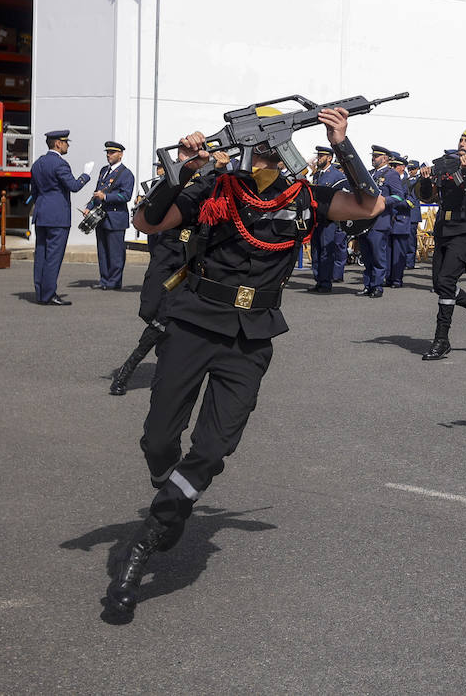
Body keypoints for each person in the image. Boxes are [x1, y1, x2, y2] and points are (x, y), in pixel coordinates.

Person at [107, 106, 386, 616]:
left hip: (251, 336)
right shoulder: (215, 189)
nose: (269, 158)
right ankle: (169, 493)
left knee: (213, 447)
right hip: (194, 321)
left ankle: (150, 534)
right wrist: (182, 170)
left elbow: (370, 206)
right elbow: (148, 221)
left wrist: (342, 142)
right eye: (263, 148)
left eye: (275, 150)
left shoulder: (307, 197)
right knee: (158, 439)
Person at [414, 129, 466, 360]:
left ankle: (442, 339)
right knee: (440, 284)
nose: (462, 143)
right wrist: (426, 179)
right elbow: (428, 198)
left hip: (464, 231)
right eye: (460, 139)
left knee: (447, 281)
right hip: (443, 229)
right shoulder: (448, 169)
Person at [110, 165, 191, 396]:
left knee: (164, 318)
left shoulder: (208, 186)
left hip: (186, 264)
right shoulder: (169, 185)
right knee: (150, 308)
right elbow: (148, 218)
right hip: (165, 257)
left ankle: (126, 372)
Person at [28, 129, 93, 305]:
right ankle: (49, 294)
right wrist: (86, 175)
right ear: (58, 143)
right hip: (57, 217)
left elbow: (34, 192)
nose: (67, 145)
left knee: (41, 254)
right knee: (53, 256)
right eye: (65, 142)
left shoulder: (38, 163)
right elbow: (73, 186)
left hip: (42, 215)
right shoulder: (60, 164)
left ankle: (40, 292)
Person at [356, 145, 401, 298]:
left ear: (385, 158)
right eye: (373, 156)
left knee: (377, 256)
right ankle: (368, 285)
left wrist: (382, 201)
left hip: (380, 221)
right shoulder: (369, 174)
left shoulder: (391, 174)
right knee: (366, 256)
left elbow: (398, 196)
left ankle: (377, 286)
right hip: (365, 221)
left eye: (376, 156)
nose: (373, 158)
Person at [88, 141, 135, 289]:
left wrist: (106, 197)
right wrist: (89, 207)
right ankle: (104, 280)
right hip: (101, 216)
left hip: (116, 217)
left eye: (112, 152)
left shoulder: (126, 174)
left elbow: (126, 196)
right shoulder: (103, 170)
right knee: (102, 250)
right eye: (107, 152)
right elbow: (98, 190)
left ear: (120, 155)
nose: (109, 155)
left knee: (115, 252)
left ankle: (114, 281)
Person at [309, 146, 347, 293]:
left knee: (326, 250)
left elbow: (343, 195)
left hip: (329, 219)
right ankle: (318, 280)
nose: (319, 158)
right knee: (316, 250)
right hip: (317, 218)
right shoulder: (318, 175)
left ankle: (326, 282)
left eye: (322, 156)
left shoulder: (337, 175)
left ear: (329, 158)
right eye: (318, 155)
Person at [386, 156, 415, 287]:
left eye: (394, 166)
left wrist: (393, 201)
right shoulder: (387, 179)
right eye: (390, 165)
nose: (391, 168)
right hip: (387, 221)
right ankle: (388, 278)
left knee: (399, 253)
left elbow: (410, 202)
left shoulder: (409, 183)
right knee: (387, 252)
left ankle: (397, 279)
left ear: (402, 167)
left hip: (401, 221)